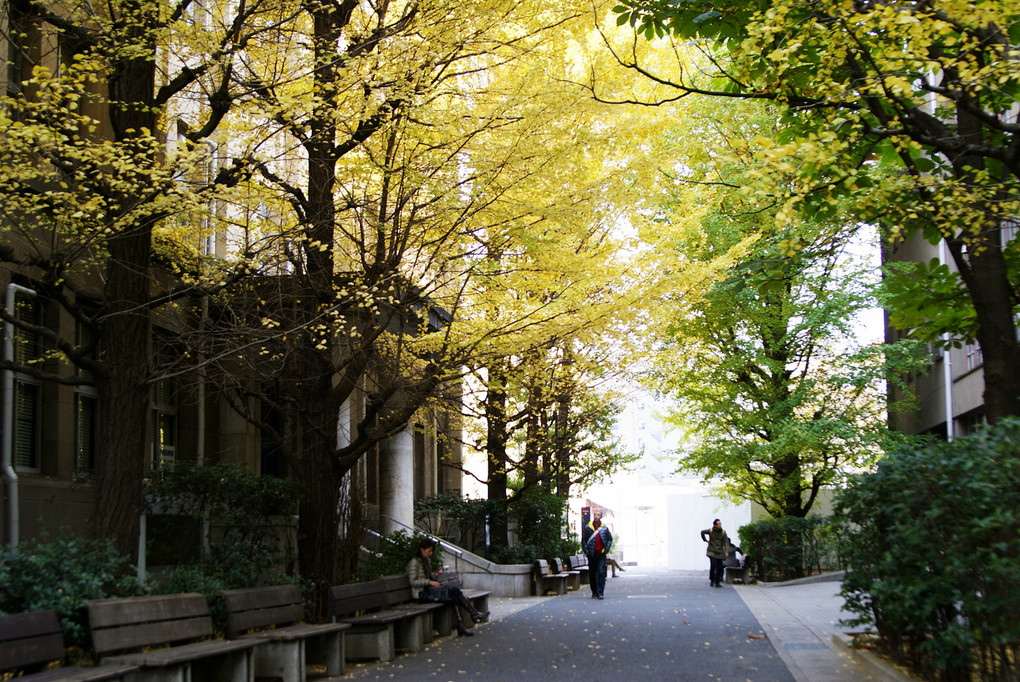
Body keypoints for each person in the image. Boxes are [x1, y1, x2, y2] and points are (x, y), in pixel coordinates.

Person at [407, 537, 489, 636]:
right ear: (422, 549)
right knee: (454, 591)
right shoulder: (414, 563)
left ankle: (464, 624)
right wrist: (429, 582)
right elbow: (413, 581)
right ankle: (472, 616)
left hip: (430, 591)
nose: (430, 553)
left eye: (431, 551)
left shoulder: (426, 561)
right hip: (421, 594)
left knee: (454, 595)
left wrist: (435, 575)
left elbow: (429, 577)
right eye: (429, 551)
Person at [582, 510, 613, 599]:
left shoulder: (604, 528)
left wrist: (606, 549)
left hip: (601, 553)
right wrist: (586, 550)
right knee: (592, 574)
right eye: (595, 514)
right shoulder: (588, 527)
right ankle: (594, 591)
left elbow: (609, 539)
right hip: (591, 554)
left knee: (601, 572)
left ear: (601, 517)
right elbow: (584, 540)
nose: (596, 516)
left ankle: (600, 592)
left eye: (598, 515)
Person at [700, 519, 730, 588]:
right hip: (712, 551)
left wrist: (726, 551)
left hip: (720, 551)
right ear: (715, 525)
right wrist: (705, 540)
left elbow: (726, 542)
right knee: (713, 565)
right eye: (718, 524)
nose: (720, 525)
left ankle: (717, 582)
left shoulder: (723, 532)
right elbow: (702, 532)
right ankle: (712, 579)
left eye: (720, 524)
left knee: (719, 567)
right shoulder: (710, 531)